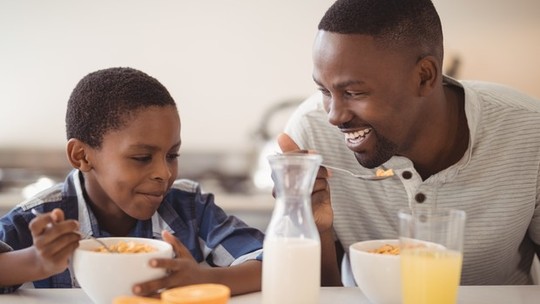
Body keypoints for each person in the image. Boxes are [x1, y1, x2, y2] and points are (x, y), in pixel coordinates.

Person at [278, 0, 540, 286]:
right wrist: (312, 228)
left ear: (424, 77)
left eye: (353, 92)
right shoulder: (312, 134)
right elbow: (320, 295)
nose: (334, 116)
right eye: (324, 90)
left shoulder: (529, 131)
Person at [0, 67, 264, 295]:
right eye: (142, 157)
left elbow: (272, 262)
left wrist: (205, 279)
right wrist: (34, 261)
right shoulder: (38, 218)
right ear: (82, 156)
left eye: (172, 155)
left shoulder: (190, 208)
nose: (165, 172)